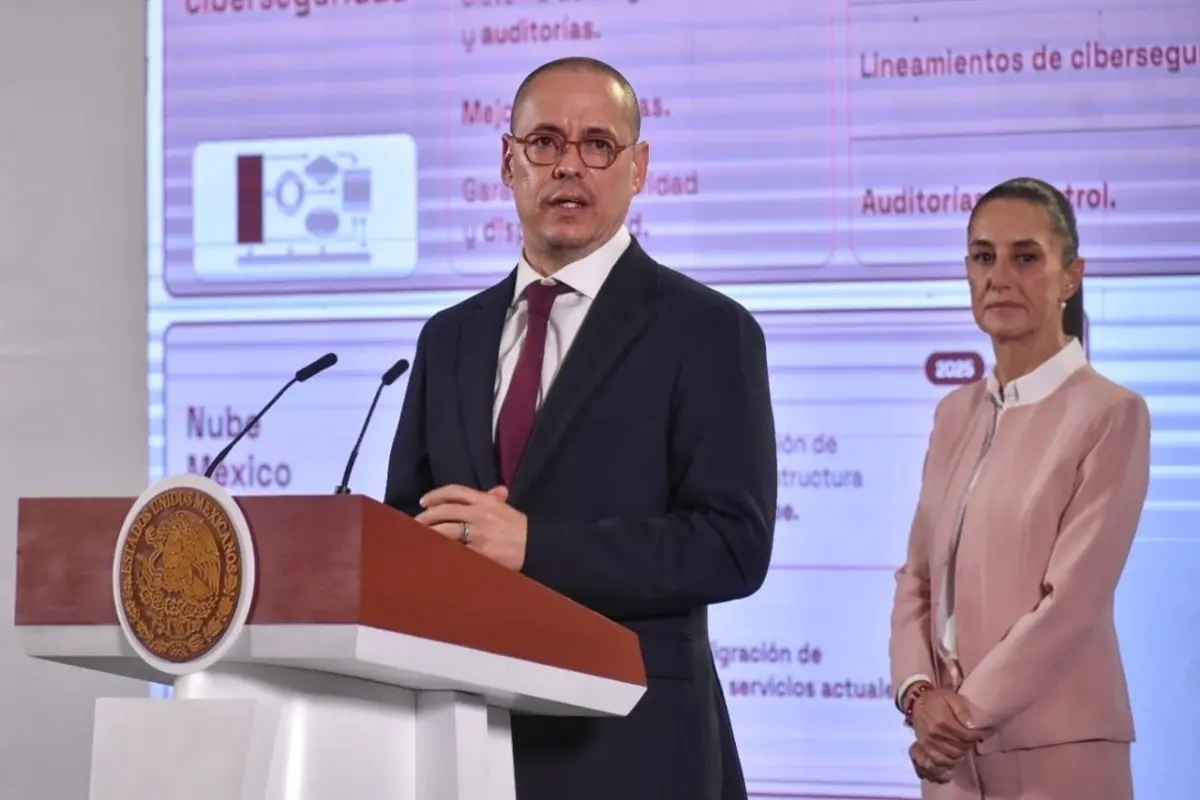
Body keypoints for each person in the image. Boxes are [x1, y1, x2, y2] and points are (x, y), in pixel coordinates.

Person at [383, 57, 776, 800]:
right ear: (507, 160)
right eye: (545, 143)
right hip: (465, 743)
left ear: (639, 168)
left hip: (636, 747)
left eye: (599, 144)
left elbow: (735, 544)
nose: (570, 166)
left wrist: (534, 545)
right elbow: (411, 522)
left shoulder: (709, 331)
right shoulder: (449, 338)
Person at [888, 177, 1151, 799]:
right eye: (983, 257)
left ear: (1070, 275)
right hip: (950, 763)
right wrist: (918, 694)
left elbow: (1071, 605)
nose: (999, 276)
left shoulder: (1112, 414)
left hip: (1061, 754)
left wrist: (960, 717)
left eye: (1025, 257)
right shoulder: (953, 413)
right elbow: (916, 581)